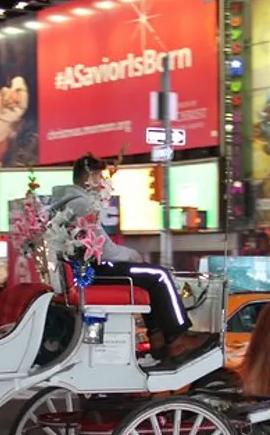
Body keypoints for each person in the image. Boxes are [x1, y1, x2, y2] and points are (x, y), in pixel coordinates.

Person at [49, 155, 216, 365]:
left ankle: (157, 337)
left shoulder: (63, 204)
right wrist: (131, 255)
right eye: (100, 177)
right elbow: (104, 249)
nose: (102, 183)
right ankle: (177, 336)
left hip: (81, 271)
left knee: (149, 275)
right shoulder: (81, 204)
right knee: (159, 275)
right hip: (93, 271)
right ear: (88, 178)